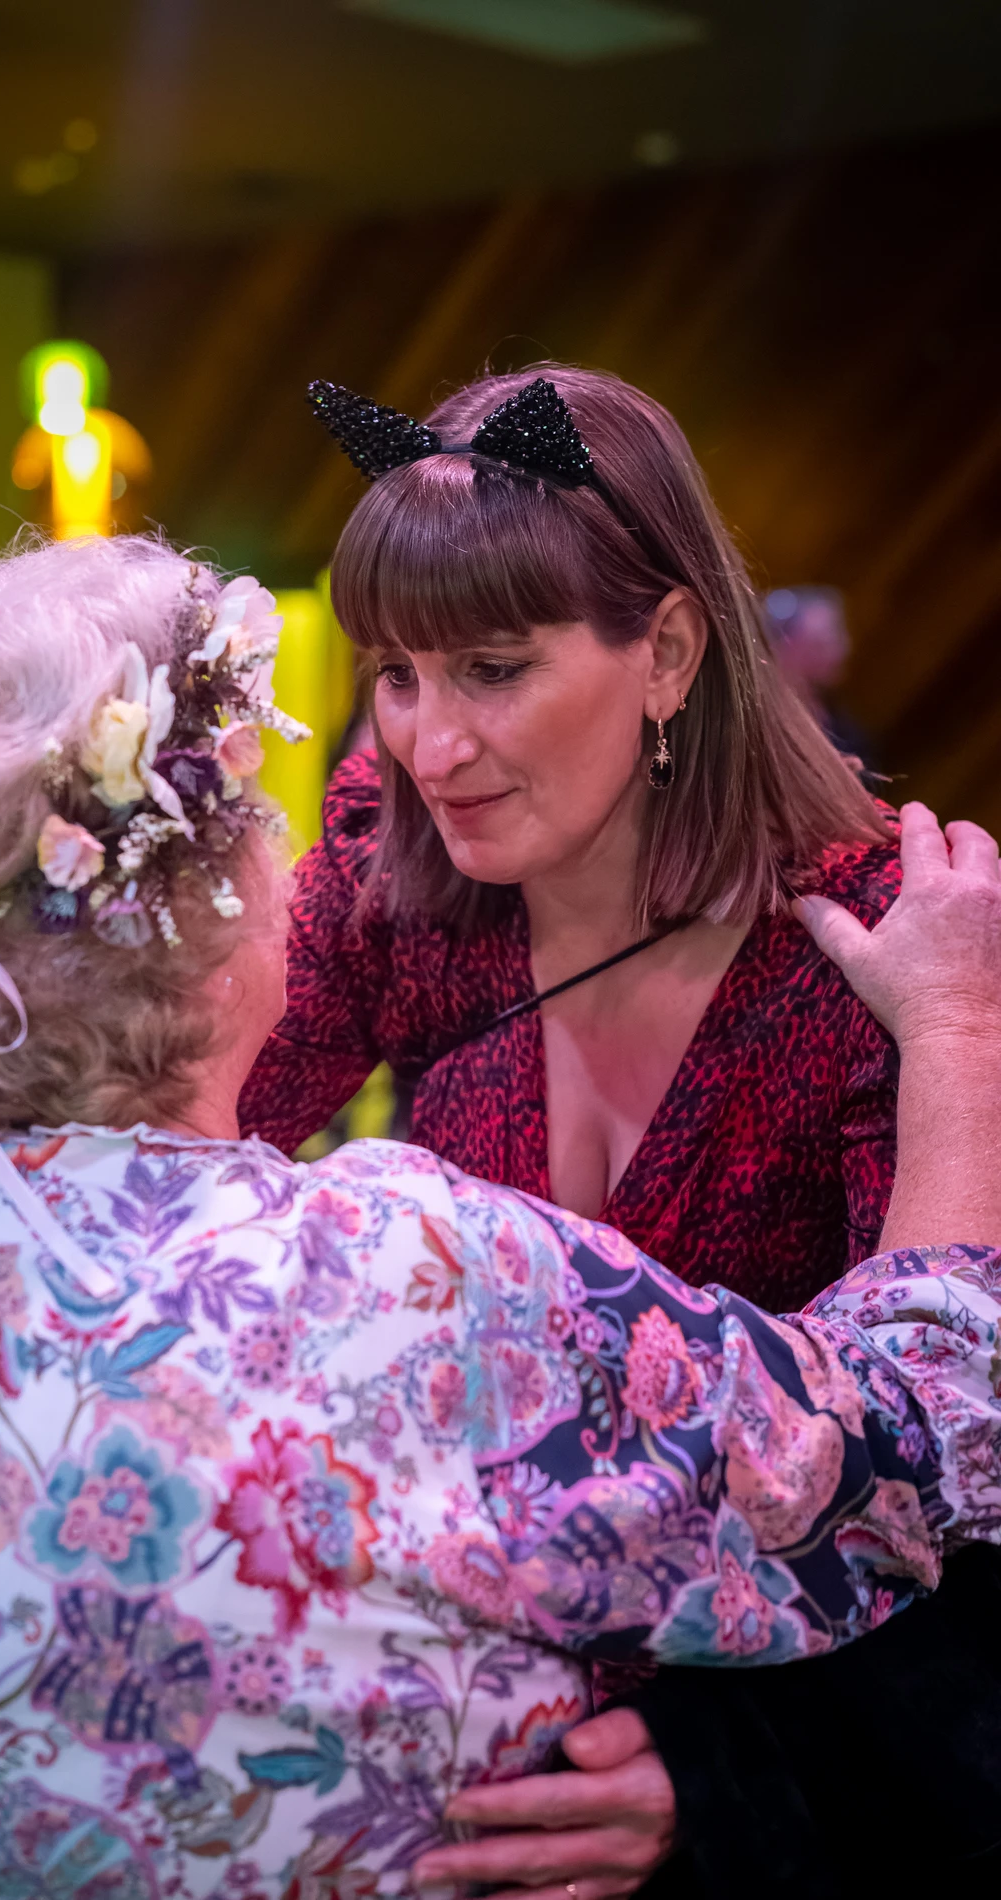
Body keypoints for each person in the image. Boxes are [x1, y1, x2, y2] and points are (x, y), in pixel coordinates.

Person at [0, 532, 1001, 1899]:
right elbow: (920, 1438)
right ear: (214, 914)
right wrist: (961, 1021)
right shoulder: (411, 1279)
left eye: (492, 668)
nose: (421, 753)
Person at [234, 367, 997, 1894]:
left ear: (664, 650)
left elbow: (952, 1477)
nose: (427, 744)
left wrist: (726, 1773)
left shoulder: (879, 955)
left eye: (494, 669)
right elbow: (186, 1131)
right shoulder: (398, 857)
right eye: (397, 673)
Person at [763, 584, 876, 769]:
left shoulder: (844, 728)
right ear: (784, 645)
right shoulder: (760, 720)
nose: (844, 649)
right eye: (824, 643)